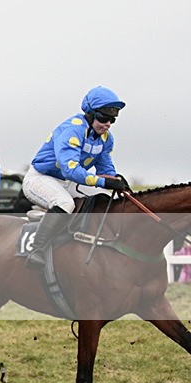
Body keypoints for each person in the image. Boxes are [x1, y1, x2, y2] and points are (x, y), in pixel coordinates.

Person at [23, 85, 128, 269]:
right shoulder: (72, 130)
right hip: (40, 179)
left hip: (69, 183)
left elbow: (104, 166)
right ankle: (36, 250)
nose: (108, 123)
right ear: (90, 114)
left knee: (104, 196)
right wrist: (104, 181)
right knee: (65, 203)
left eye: (112, 119)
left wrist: (115, 180)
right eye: (104, 117)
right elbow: (70, 169)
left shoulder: (105, 138)